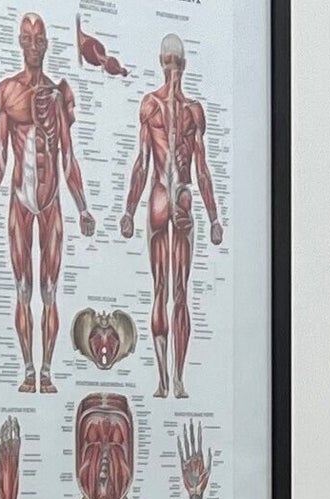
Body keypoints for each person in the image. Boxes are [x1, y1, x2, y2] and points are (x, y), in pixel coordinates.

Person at [0, 13, 95, 395]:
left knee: (49, 291)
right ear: (20, 42)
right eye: (26, 37)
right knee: (23, 288)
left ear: (45, 43)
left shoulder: (59, 95)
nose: (33, 44)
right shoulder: (7, 92)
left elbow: (68, 158)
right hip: (19, 201)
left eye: (38, 37)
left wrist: (83, 206)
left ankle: (47, 369)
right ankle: (29, 370)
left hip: (51, 201)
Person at [120, 36, 226, 398]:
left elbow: (202, 169)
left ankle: (174, 378)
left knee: (176, 291)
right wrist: (129, 209)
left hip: (175, 199)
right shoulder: (155, 107)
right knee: (165, 290)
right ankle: (166, 378)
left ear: (181, 64)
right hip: (167, 197)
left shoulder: (189, 111)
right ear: (164, 62)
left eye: (175, 61)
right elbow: (141, 163)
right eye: (168, 61)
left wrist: (213, 216)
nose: (172, 68)